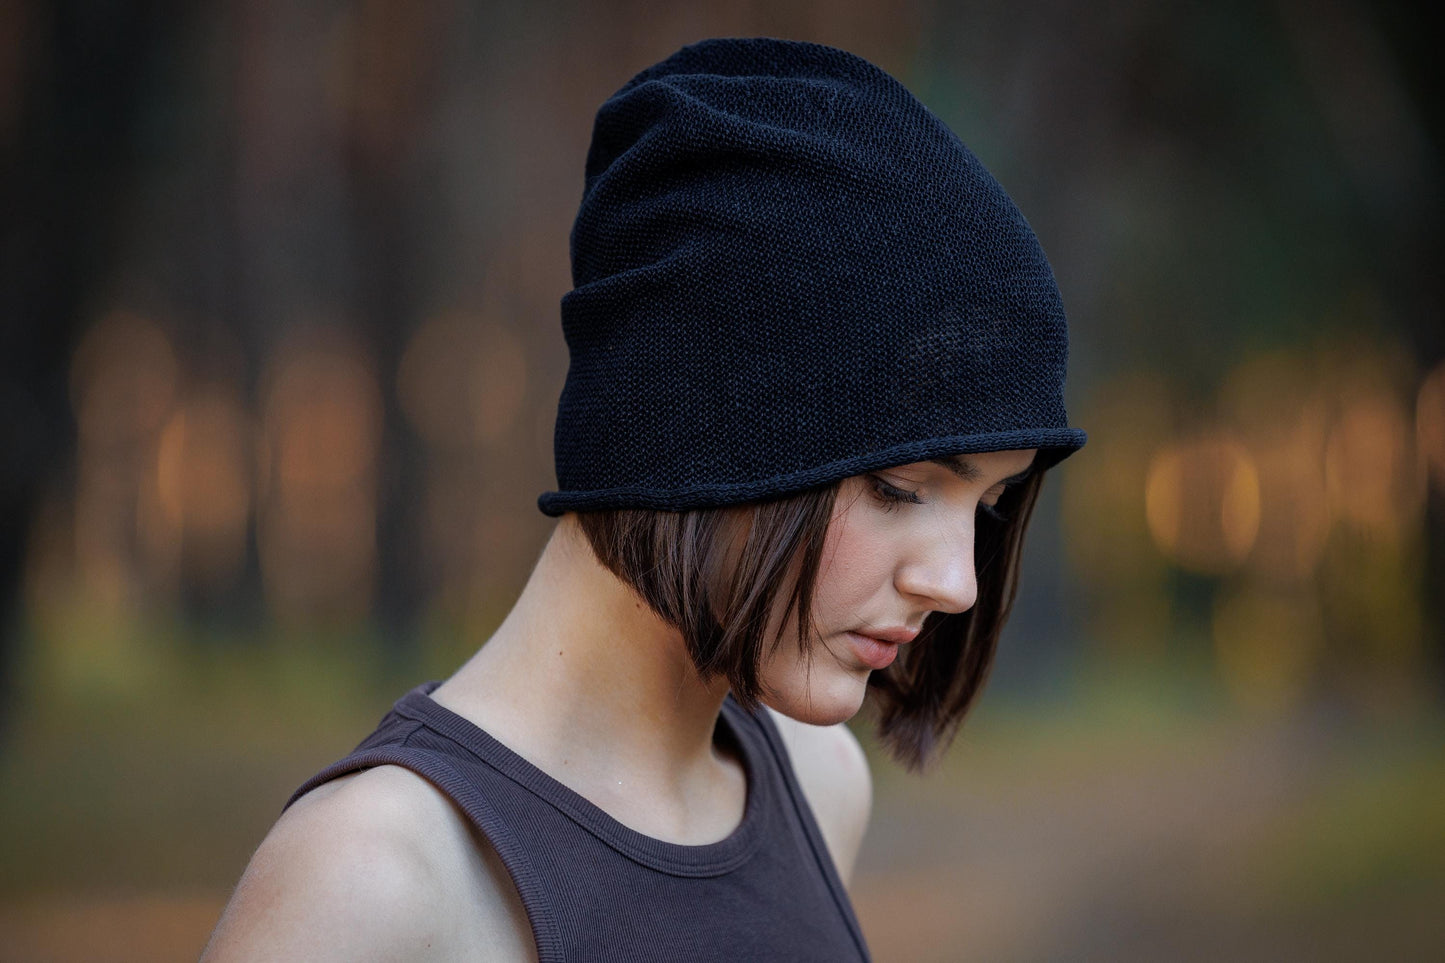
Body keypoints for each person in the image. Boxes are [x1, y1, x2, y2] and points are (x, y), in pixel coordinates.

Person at [201, 36, 1086, 962]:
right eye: (900, 486)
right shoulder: (373, 882)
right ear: (696, 437)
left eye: (987, 505)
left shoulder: (820, 787)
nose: (959, 584)